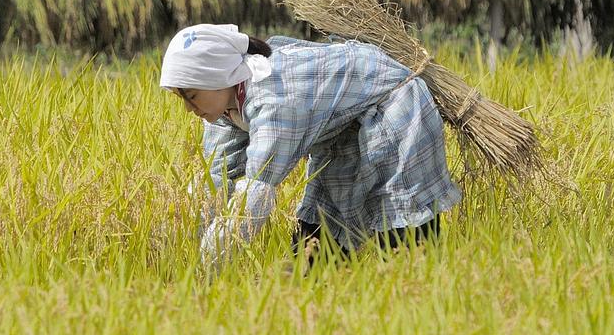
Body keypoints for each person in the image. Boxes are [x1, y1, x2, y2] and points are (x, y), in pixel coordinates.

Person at [160, 24, 462, 266]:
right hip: (343, 124)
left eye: (192, 96)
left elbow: (256, 189)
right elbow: (216, 179)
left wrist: (212, 262)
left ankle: (413, 287)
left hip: (394, 102)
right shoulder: (224, 107)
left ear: (219, 77)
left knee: (399, 216)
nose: (189, 108)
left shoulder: (274, 99)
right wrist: (193, 248)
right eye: (182, 98)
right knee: (323, 211)